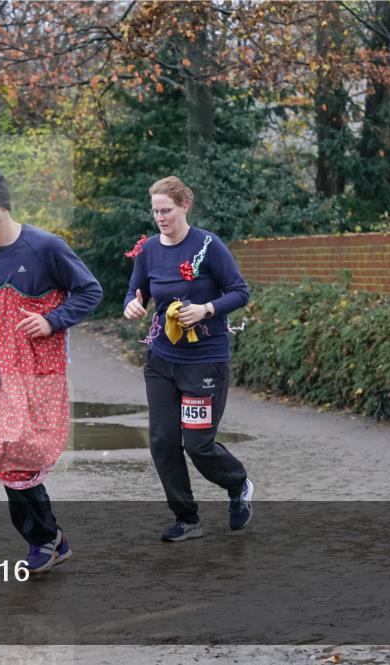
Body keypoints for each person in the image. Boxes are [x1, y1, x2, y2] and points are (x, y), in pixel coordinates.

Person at [0, 168, 102, 573]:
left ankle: (44, 540)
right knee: (5, 455)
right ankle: (49, 539)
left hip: (39, 373)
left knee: (20, 454)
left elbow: (91, 291)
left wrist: (52, 320)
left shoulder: (46, 246)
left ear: (3, 205)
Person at [122, 175, 253, 542]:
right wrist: (132, 304)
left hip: (204, 361)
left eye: (166, 210)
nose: (160, 218)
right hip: (162, 359)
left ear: (184, 207)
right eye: (155, 212)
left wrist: (207, 309)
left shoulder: (208, 246)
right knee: (163, 441)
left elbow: (240, 292)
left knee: (197, 444)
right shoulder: (148, 249)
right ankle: (187, 518)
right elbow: (136, 290)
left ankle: (238, 483)